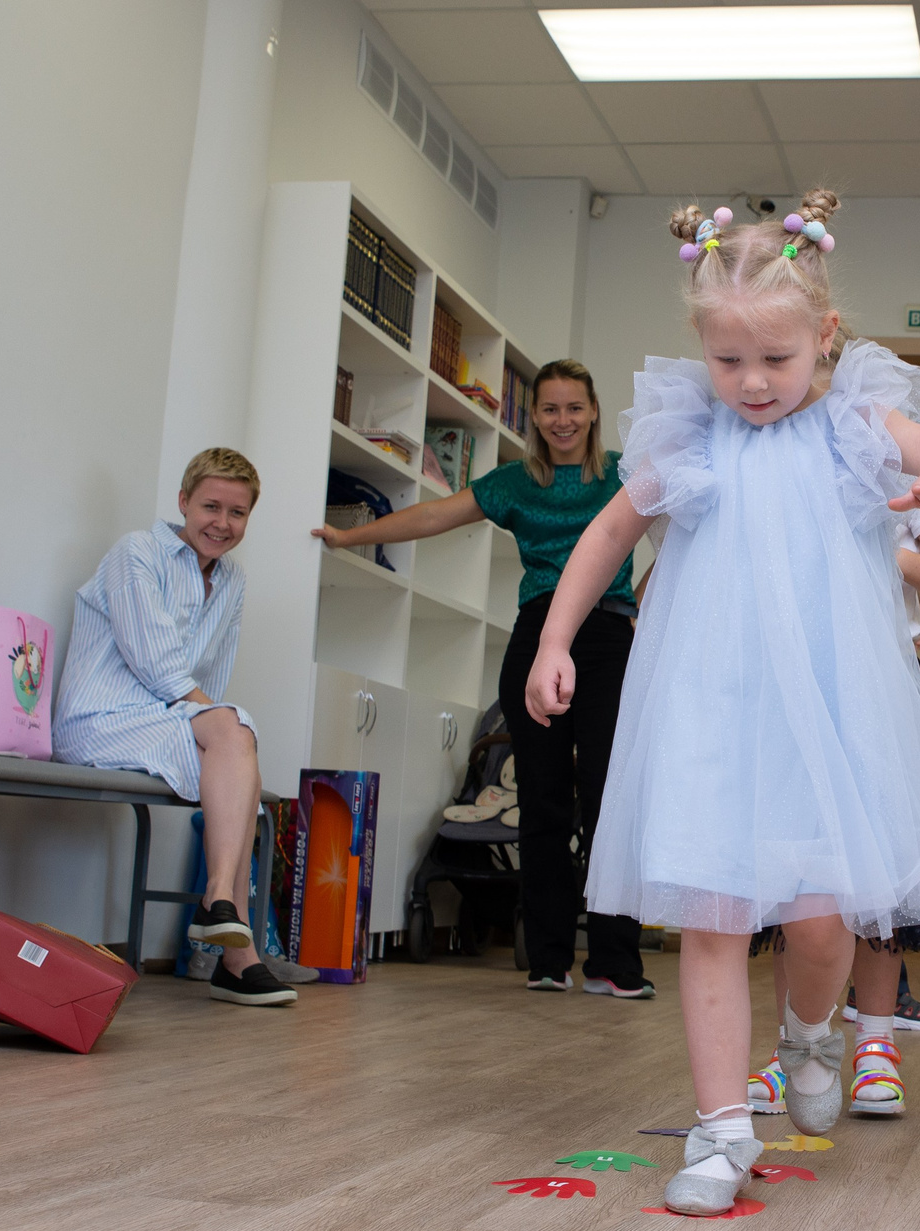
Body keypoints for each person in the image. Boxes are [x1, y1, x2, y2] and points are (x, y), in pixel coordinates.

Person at [524, 191, 920, 1216]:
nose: (753, 382)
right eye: (729, 361)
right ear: (703, 349)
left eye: (775, 360)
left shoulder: (856, 423)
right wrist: (556, 639)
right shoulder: (689, 439)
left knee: (820, 925)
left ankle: (811, 1032)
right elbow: (604, 538)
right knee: (715, 914)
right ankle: (720, 1127)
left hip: (825, 713)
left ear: (822, 337)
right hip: (710, 707)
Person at [317, 361, 653, 999]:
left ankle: (615, 962)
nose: (562, 421)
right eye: (549, 409)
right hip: (536, 637)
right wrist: (349, 535)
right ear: (534, 419)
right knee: (544, 803)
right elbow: (432, 518)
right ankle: (549, 959)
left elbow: (676, 531)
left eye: (573, 408)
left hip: (608, 638)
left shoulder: (623, 472)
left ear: (593, 412)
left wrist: (638, 605)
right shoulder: (514, 482)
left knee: (611, 800)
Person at [750, 490, 920, 1121]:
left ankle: (876, 1045)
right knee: (795, 879)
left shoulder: (901, 480)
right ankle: (791, 1047)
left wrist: (886, 558)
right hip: (793, 698)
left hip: (883, 700)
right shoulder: (786, 470)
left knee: (882, 880)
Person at [54, 448, 296, 1008]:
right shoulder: (135, 553)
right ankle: (232, 945)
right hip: (100, 720)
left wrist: (219, 728)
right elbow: (156, 663)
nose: (222, 523)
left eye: (237, 514)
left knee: (238, 749)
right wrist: (219, 726)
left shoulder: (232, 579)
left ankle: (225, 921)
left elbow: (212, 671)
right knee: (238, 741)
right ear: (183, 501)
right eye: (210, 506)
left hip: (161, 721)